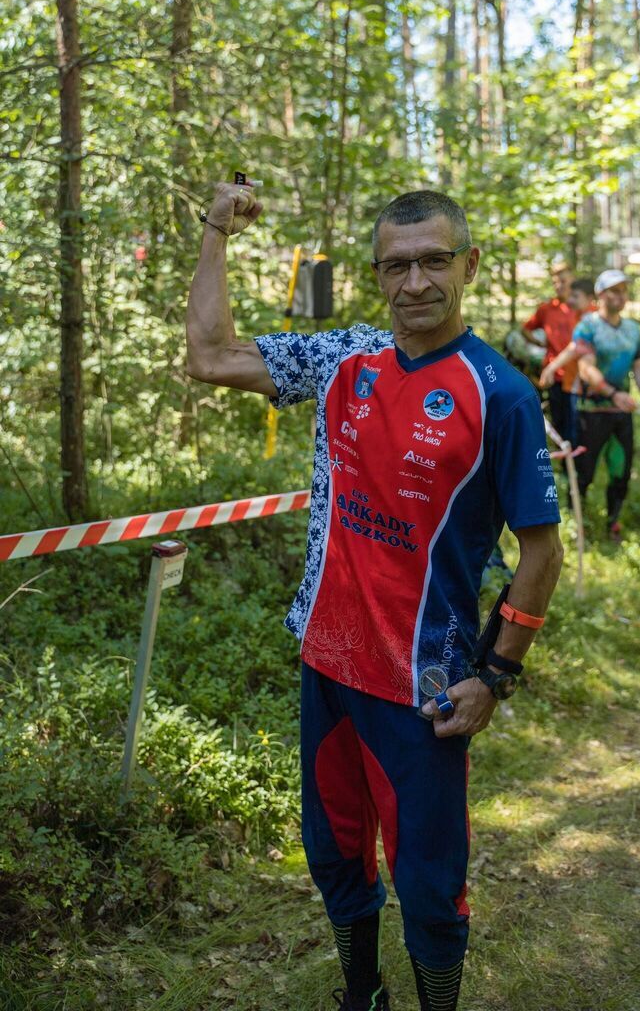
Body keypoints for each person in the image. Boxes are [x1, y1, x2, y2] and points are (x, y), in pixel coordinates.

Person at [185, 183, 564, 1011]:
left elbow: (542, 552)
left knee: (429, 886)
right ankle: (362, 996)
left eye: (434, 261)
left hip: (421, 685)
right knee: (336, 859)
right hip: (324, 663)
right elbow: (209, 355)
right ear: (376, 275)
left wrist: (495, 675)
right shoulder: (342, 360)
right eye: (397, 266)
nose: (416, 283)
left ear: (467, 265)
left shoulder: (498, 392)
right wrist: (216, 229)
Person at [569, 270, 640, 543]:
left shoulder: (632, 329)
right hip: (591, 411)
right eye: (614, 290)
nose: (620, 296)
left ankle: (612, 522)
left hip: (622, 414)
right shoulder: (588, 326)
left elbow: (639, 366)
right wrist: (612, 392)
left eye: (624, 290)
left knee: (621, 470)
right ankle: (577, 524)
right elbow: (585, 369)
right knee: (584, 470)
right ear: (600, 293)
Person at [523, 261, 579, 442]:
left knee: (578, 425)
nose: (558, 285)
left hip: (579, 377)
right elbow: (525, 328)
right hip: (554, 376)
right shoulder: (547, 309)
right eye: (555, 282)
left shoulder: (584, 308)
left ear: (573, 280)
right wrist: (540, 344)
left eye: (563, 281)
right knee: (559, 423)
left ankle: (577, 465)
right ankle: (564, 465)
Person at [539, 278, 597, 447]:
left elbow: (575, 348)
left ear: (589, 298)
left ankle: (575, 467)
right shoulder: (580, 316)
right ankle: (569, 466)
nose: (570, 300)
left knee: (578, 429)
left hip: (584, 384)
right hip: (571, 381)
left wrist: (551, 367)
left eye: (575, 296)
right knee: (569, 426)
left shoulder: (592, 320)